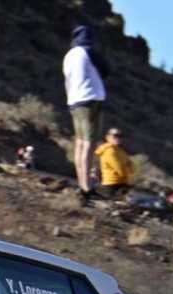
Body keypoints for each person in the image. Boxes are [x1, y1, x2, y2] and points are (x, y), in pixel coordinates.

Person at [63, 25, 109, 205]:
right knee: (89, 144)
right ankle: (86, 188)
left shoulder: (68, 56)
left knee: (80, 143)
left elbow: (67, 80)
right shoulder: (87, 51)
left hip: (74, 101)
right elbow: (106, 69)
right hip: (91, 100)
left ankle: (83, 184)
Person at [94, 128, 133, 198]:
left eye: (120, 136)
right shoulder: (109, 151)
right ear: (108, 137)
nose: (118, 138)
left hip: (121, 183)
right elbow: (121, 170)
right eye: (115, 135)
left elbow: (131, 166)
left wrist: (128, 168)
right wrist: (128, 169)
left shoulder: (120, 150)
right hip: (111, 185)